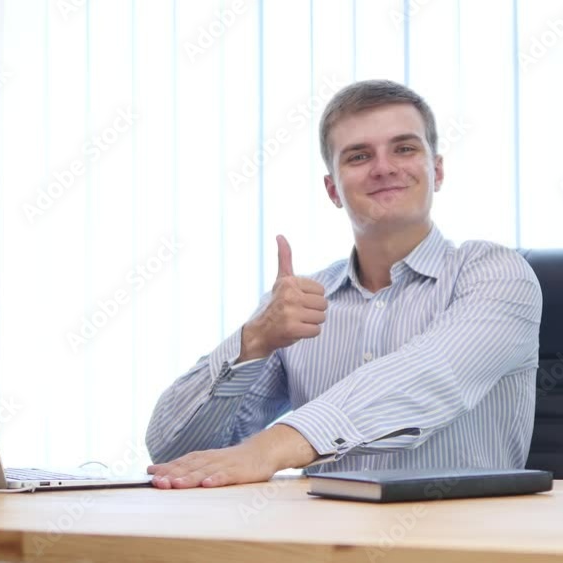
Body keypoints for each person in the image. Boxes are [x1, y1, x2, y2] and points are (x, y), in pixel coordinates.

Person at [145, 79, 542, 489]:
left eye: (404, 149)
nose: (384, 168)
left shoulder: (497, 275)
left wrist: (270, 449)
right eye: (359, 156)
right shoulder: (297, 304)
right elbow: (175, 452)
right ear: (333, 189)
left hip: (459, 528)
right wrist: (253, 340)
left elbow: (429, 377)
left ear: (437, 171)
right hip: (319, 529)